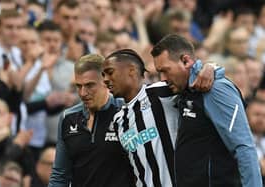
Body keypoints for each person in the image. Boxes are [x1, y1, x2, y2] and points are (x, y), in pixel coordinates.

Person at [150, 34, 262, 187]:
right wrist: (209, 66)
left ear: (186, 61)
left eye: (165, 70)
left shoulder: (216, 89)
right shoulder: (184, 90)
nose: (162, 78)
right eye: (159, 72)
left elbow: (244, 148)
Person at [102, 48, 220, 186]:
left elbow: (193, 76)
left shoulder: (161, 91)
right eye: (103, 75)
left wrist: (210, 66)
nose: (105, 80)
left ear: (131, 70)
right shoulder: (118, 121)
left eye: (110, 72)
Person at [48, 54, 135, 187]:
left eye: (89, 85)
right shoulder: (68, 118)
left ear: (106, 81)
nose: (83, 93)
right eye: (79, 86)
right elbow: (60, 175)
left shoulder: (126, 111)